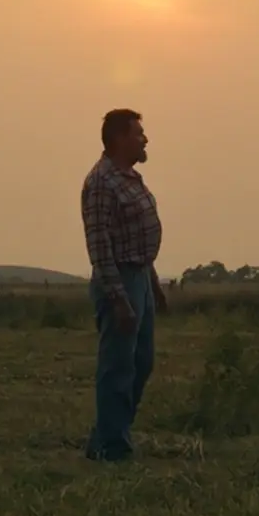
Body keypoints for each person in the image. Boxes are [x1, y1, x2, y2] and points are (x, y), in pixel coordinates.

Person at [79, 107, 168, 460]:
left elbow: (137, 238)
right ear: (119, 139)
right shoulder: (101, 182)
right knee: (118, 364)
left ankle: (107, 435)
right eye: (138, 133)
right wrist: (118, 299)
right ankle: (112, 448)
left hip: (140, 277)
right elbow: (100, 246)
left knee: (141, 361)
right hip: (119, 280)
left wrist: (153, 283)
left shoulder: (129, 177)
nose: (145, 139)